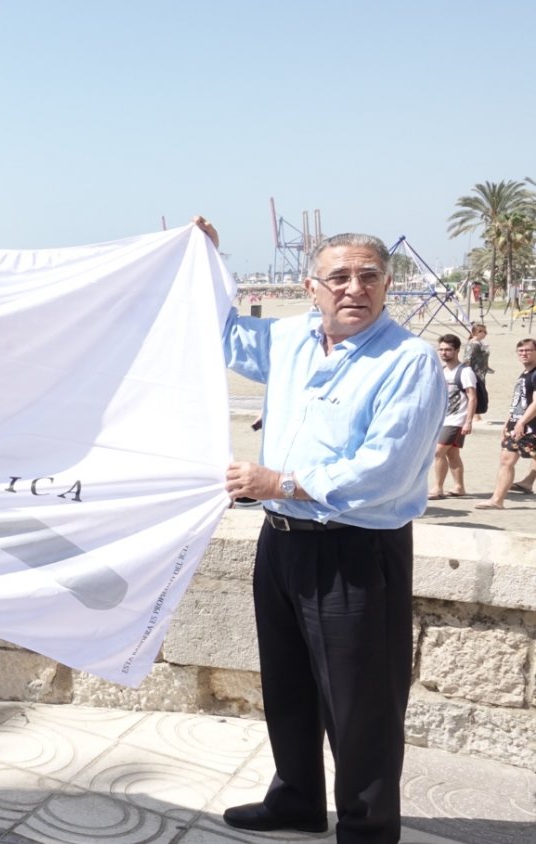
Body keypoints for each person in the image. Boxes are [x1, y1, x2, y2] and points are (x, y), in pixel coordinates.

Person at [199, 219, 443, 843]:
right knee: (288, 684)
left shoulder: (409, 360)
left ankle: (366, 831)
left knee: (361, 707)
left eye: (368, 277)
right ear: (312, 286)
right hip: (281, 541)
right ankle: (297, 801)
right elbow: (218, 334)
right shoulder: (289, 339)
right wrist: (205, 258)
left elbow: (382, 472)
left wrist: (277, 481)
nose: (353, 288)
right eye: (338, 277)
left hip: (354, 551)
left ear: (388, 286)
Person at [476, 338, 536, 510]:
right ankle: (497, 500)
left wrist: (521, 422)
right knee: (506, 460)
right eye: (521, 351)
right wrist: (508, 423)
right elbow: (519, 402)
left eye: (528, 350)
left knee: (507, 460)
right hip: (518, 425)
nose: (524, 354)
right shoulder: (525, 374)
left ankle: (499, 498)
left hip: (529, 426)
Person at [429, 334, 477, 499]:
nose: (444, 353)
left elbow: (472, 397)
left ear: (457, 350)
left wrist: (468, 421)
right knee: (452, 454)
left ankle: (437, 488)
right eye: (441, 349)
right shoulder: (442, 371)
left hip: (456, 420)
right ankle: (459, 487)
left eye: (448, 350)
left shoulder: (465, 371)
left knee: (438, 452)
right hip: (443, 419)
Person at [463, 323, 491, 422]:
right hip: (474, 372)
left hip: (480, 372)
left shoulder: (479, 343)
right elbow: (467, 359)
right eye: (483, 331)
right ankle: (475, 415)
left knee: (480, 392)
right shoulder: (473, 344)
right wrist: (467, 371)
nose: (485, 334)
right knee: (476, 392)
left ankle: (476, 414)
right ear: (477, 332)